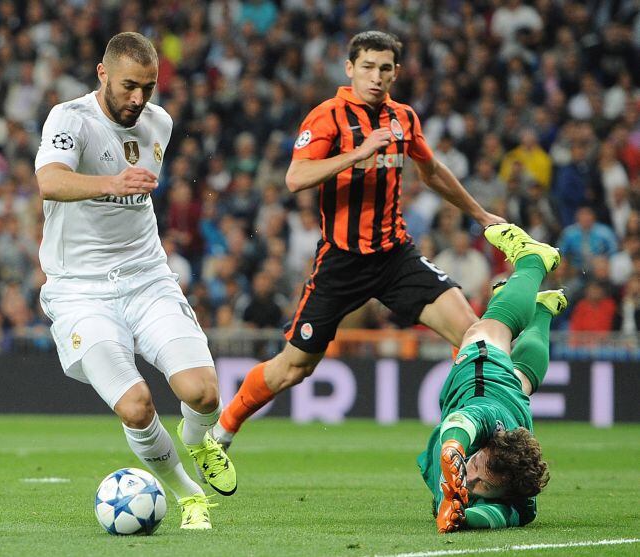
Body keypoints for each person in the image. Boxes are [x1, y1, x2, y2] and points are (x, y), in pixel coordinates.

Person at [213, 31, 503, 446]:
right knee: (294, 367)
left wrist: (481, 214)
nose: (376, 76)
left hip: (394, 255)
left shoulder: (403, 118)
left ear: (396, 73)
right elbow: (296, 178)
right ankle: (224, 429)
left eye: (385, 68)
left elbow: (432, 170)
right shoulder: (327, 116)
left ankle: (473, 445)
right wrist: (357, 153)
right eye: (367, 67)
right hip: (341, 260)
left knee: (474, 336)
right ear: (349, 69)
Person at [34, 32, 235, 531]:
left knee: (204, 393)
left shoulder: (158, 122)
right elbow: (50, 180)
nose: (139, 99)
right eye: (129, 87)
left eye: (148, 87)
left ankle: (198, 441)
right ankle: (189, 494)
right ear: (103, 74)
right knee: (136, 404)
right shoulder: (69, 119)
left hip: (147, 279)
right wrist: (110, 183)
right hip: (80, 290)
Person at [418, 223, 563, 533]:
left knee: (523, 377)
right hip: (487, 385)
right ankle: (534, 260)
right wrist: (455, 449)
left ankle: (543, 310)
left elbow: (497, 517)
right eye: (476, 466)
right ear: (487, 446)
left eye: (482, 485)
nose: (470, 479)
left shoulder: (521, 500)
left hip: (516, 404)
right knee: (488, 330)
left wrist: (462, 517)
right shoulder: (489, 423)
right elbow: (463, 421)